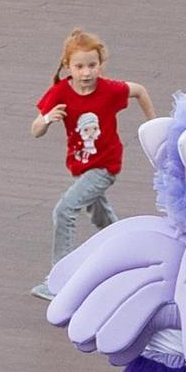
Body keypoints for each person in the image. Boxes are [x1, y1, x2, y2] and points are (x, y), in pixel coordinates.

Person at [31, 30, 139, 271]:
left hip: (105, 166)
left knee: (65, 211)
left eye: (92, 65)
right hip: (82, 166)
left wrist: (153, 124)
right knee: (100, 214)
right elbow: (35, 129)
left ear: (100, 64)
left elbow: (139, 90)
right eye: (79, 66)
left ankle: (60, 277)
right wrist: (48, 118)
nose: (87, 72)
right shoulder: (60, 92)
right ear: (68, 66)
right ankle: (128, 252)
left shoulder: (109, 89)